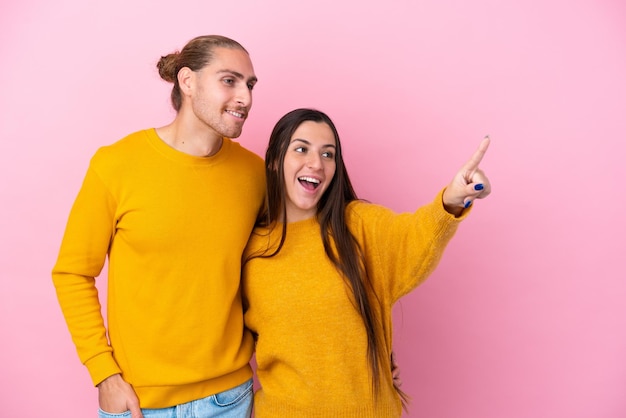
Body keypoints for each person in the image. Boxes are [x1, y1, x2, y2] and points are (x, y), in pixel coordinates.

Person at [52, 35, 265, 418]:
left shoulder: (255, 175)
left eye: (250, 85)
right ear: (188, 81)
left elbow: (280, 268)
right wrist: (104, 374)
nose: (245, 97)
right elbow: (72, 272)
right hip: (138, 403)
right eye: (229, 80)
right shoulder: (116, 165)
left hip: (231, 397)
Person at [242, 108, 491, 417]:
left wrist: (452, 200)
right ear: (274, 160)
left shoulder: (358, 225)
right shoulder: (249, 250)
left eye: (328, 154)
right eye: (301, 149)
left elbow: (414, 237)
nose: (316, 163)